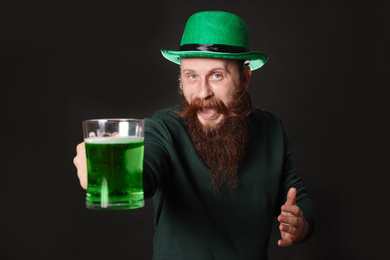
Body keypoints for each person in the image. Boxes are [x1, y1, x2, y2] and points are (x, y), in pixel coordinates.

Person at [74, 11, 316, 259]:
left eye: (216, 76)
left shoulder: (271, 128)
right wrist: (108, 171)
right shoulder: (164, 128)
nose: (203, 92)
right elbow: (141, 176)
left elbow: (295, 195)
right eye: (191, 76)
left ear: (244, 78)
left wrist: (300, 224)